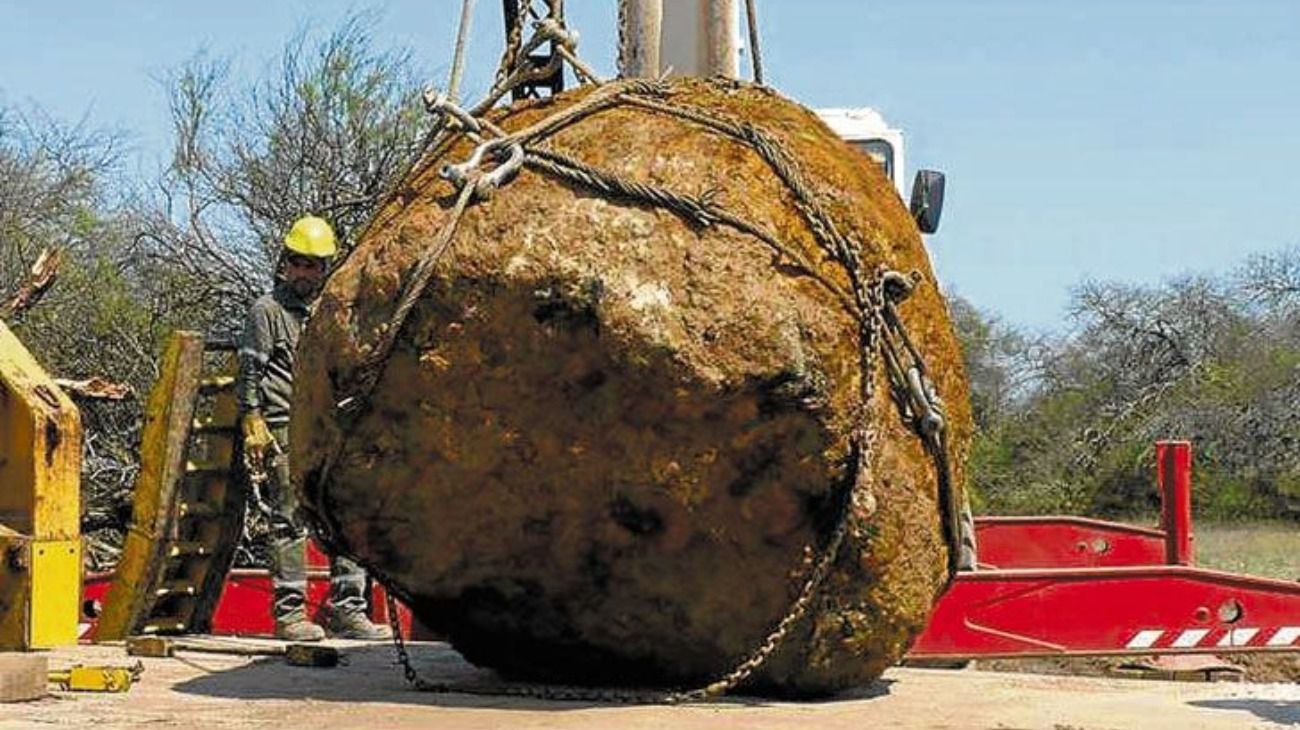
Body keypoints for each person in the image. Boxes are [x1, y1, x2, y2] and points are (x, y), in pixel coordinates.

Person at [236, 215, 392, 642]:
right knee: (288, 519)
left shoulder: (332, 310)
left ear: (327, 268)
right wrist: (252, 418)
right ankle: (289, 615)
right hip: (285, 426)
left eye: (314, 265)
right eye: (298, 263)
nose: (305, 273)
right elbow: (251, 368)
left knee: (345, 513)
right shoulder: (267, 311)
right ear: (285, 263)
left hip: (331, 427)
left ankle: (348, 609)